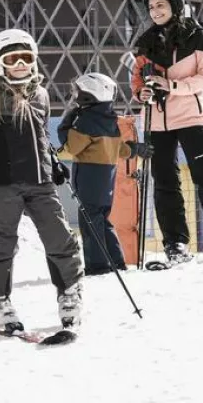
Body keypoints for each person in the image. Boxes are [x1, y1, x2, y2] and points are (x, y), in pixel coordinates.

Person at [0, 29, 84, 333]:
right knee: (1, 243)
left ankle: (70, 294)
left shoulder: (40, 94)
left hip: (40, 181)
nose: (21, 63)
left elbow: (40, 135)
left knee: (59, 237)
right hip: (3, 182)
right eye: (13, 58)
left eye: (26, 57)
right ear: (0, 62)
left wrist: (53, 162)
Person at [131, 0, 203, 262]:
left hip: (192, 116)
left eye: (161, 5)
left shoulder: (196, 37)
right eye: (151, 7)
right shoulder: (145, 43)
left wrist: (172, 85)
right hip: (157, 120)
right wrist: (141, 91)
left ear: (175, 6)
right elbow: (137, 78)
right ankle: (175, 244)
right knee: (164, 182)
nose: (155, 11)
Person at [57, 72, 152, 276]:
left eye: (78, 92)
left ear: (90, 94)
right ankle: (116, 262)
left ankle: (98, 266)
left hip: (89, 176)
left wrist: (66, 124)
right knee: (103, 219)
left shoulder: (86, 121)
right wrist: (135, 149)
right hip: (106, 177)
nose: (76, 96)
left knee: (90, 220)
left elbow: (71, 147)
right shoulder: (110, 121)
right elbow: (120, 149)